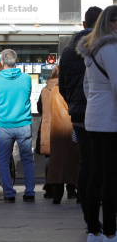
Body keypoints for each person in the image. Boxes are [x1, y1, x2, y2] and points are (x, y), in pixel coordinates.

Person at [77, 5, 117, 242]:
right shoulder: (111, 46)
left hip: (94, 119)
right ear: (112, 23)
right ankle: (111, 231)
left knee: (96, 175)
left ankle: (94, 229)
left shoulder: (92, 49)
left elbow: (86, 87)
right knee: (111, 177)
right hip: (110, 121)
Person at [59, 6, 102, 224]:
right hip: (102, 113)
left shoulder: (67, 50)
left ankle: (89, 218)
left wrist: (74, 105)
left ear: (84, 24)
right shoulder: (102, 45)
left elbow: (62, 87)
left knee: (86, 163)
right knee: (104, 162)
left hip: (78, 114)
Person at [0, 49, 35, 203]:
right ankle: (29, 192)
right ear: (16, 61)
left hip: (4, 125)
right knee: (27, 159)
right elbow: (27, 95)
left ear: (2, 63)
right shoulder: (26, 78)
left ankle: (9, 194)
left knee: (2, 160)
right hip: (24, 124)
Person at [46, 65, 80, 204]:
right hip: (72, 130)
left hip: (57, 131)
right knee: (75, 163)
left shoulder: (53, 90)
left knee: (57, 165)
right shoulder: (74, 89)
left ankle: (56, 196)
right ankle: (76, 191)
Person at [36, 66, 59, 199]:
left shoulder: (45, 90)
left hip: (47, 127)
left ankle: (49, 187)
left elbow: (39, 109)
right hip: (64, 127)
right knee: (68, 157)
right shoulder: (65, 89)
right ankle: (72, 188)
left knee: (49, 159)